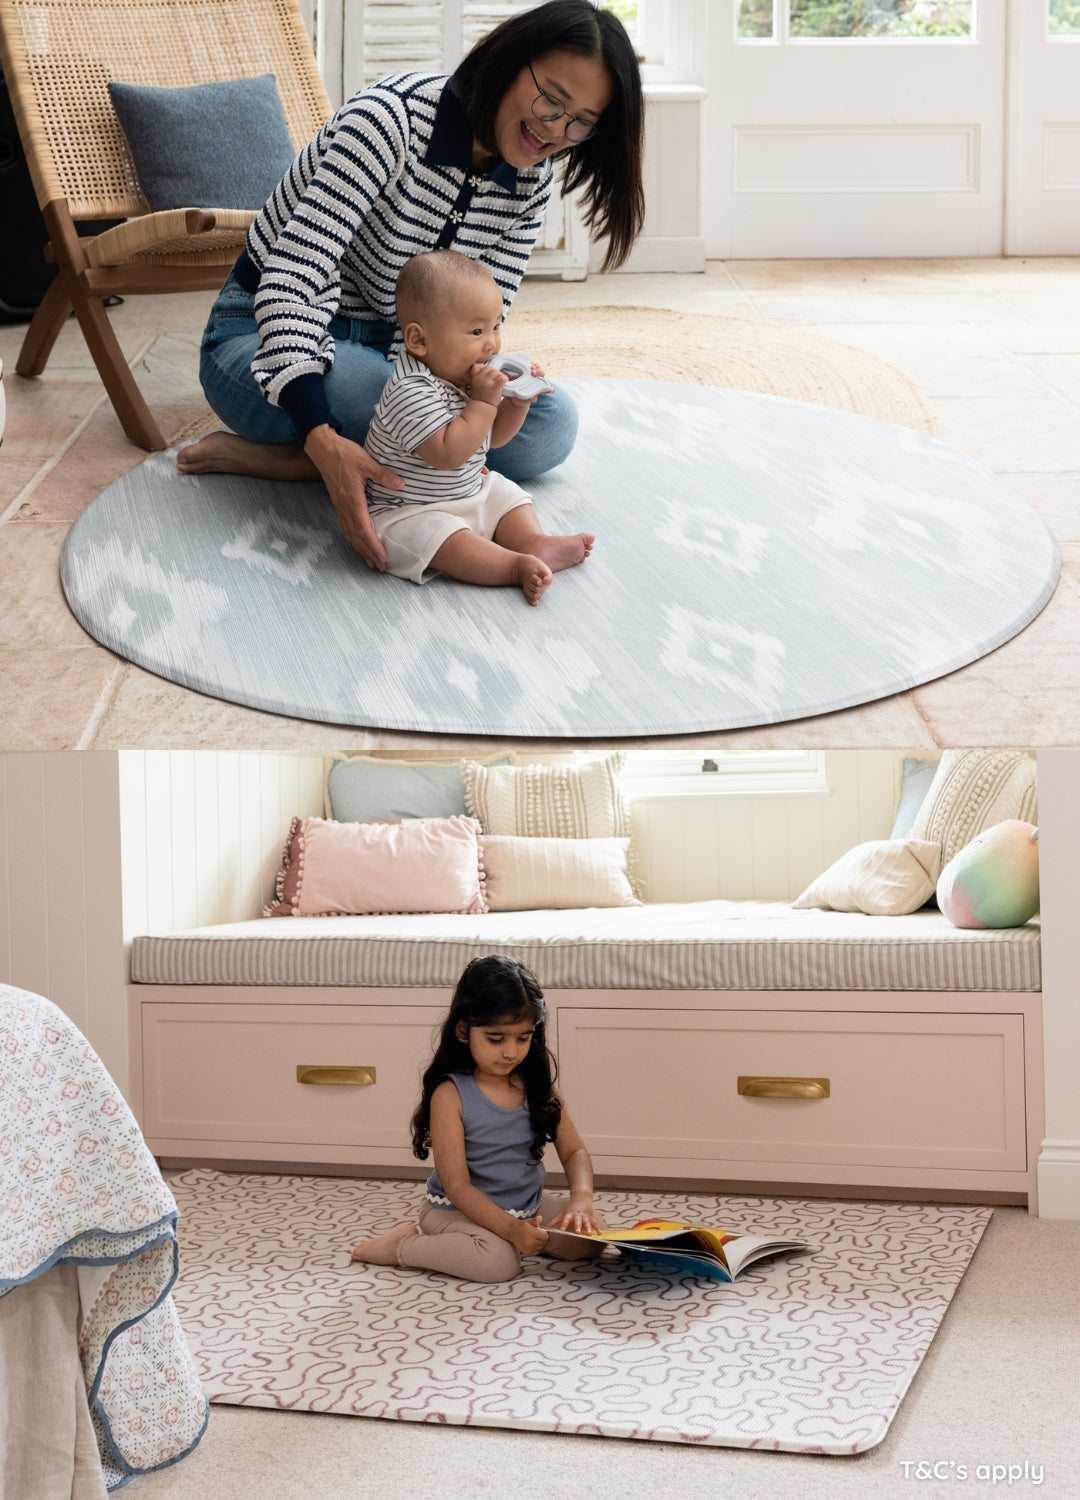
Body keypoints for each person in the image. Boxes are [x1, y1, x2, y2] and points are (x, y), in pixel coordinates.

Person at [177, 0, 644, 574]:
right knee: (399, 408)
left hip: (403, 355)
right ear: (507, 61)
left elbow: (475, 322)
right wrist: (325, 435)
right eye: (551, 99)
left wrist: (489, 382)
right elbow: (291, 281)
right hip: (258, 334)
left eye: (581, 121)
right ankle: (311, 446)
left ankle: (287, 458)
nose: (554, 130)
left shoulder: (530, 184)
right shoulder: (388, 121)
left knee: (548, 427)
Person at [351, 956, 604, 1283]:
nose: (510, 1052)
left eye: (523, 1038)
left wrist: (580, 1201)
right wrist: (512, 1231)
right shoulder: (450, 1095)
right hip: (456, 1210)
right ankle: (404, 1245)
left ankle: (522, 1240)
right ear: (463, 1030)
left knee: (593, 1240)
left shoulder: (539, 1087)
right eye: (496, 1039)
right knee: (496, 1263)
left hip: (525, 1206)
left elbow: (575, 1153)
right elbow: (458, 1187)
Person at [366, 249, 594, 604]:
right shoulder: (410, 390)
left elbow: (491, 441)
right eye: (476, 331)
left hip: (466, 490)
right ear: (419, 340)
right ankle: (512, 566)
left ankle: (534, 542)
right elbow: (449, 454)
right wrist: (486, 402)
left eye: (496, 326)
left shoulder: (460, 374)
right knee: (441, 538)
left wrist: (517, 403)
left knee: (503, 491)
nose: (492, 344)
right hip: (408, 509)